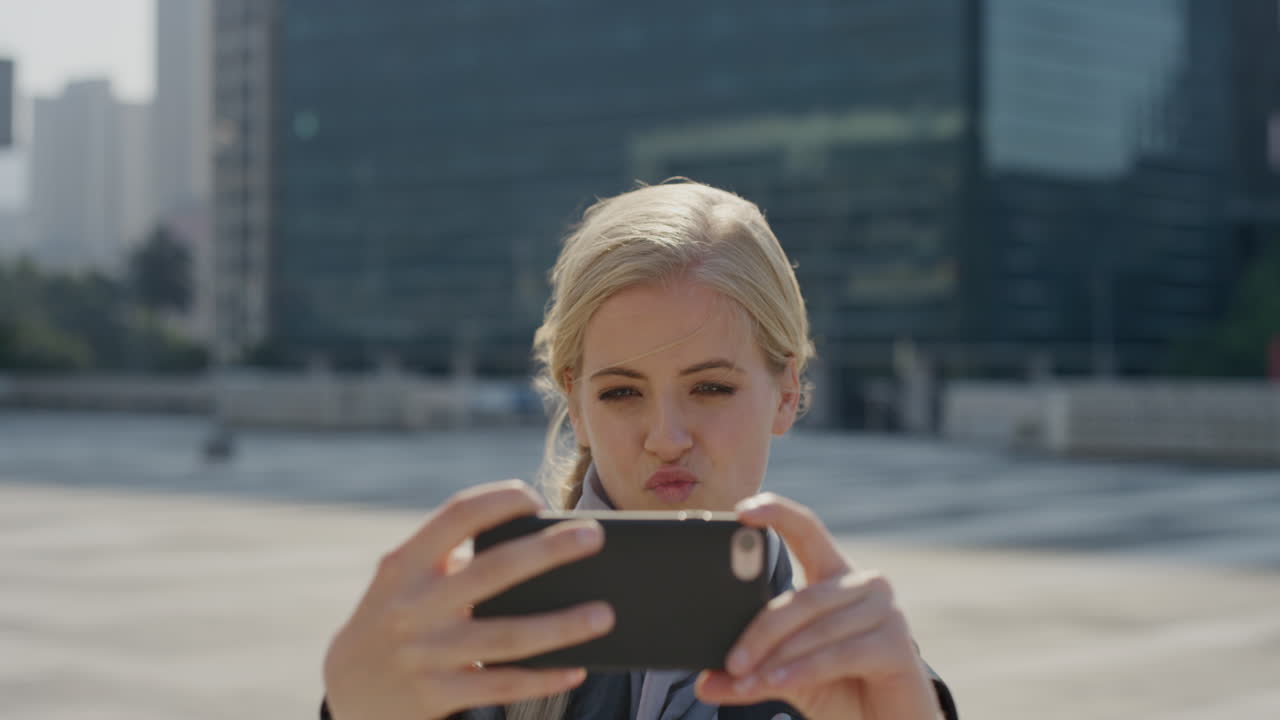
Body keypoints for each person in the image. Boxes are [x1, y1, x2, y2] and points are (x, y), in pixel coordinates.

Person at [321, 180, 959, 720]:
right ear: (576, 404)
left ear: (786, 392)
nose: (666, 438)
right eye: (622, 392)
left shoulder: (868, 689)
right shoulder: (463, 660)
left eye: (711, 388)